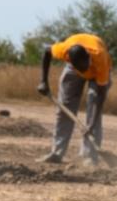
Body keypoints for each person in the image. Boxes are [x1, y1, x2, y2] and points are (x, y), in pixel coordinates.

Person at [36, 32, 112, 164]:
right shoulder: (63, 50)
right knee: (64, 107)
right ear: (68, 59)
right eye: (80, 69)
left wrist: (91, 123)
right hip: (72, 69)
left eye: (84, 67)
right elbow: (47, 52)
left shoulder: (100, 57)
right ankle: (57, 153)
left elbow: (101, 95)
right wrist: (43, 81)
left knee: (93, 108)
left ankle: (90, 156)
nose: (83, 72)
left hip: (96, 71)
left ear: (88, 57)